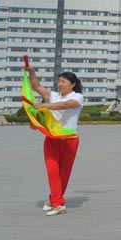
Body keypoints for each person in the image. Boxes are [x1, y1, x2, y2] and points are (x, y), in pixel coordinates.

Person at [26, 64, 84, 216]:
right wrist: (32, 72)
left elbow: (66, 105)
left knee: (63, 173)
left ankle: (53, 199)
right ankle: (59, 204)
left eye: (63, 81)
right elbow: (36, 86)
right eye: (59, 81)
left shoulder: (77, 96)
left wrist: (44, 105)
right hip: (52, 138)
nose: (60, 84)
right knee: (52, 171)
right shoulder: (53, 95)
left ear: (72, 84)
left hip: (70, 139)